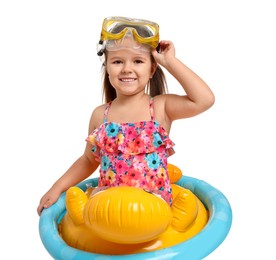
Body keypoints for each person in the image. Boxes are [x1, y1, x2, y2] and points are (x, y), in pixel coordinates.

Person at [37, 16, 215, 215]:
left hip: (153, 211)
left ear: (152, 69)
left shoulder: (160, 107)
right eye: (117, 61)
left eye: (138, 61)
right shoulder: (100, 115)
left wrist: (170, 62)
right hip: (109, 211)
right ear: (107, 69)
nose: (127, 69)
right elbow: (88, 160)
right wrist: (56, 187)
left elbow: (204, 100)